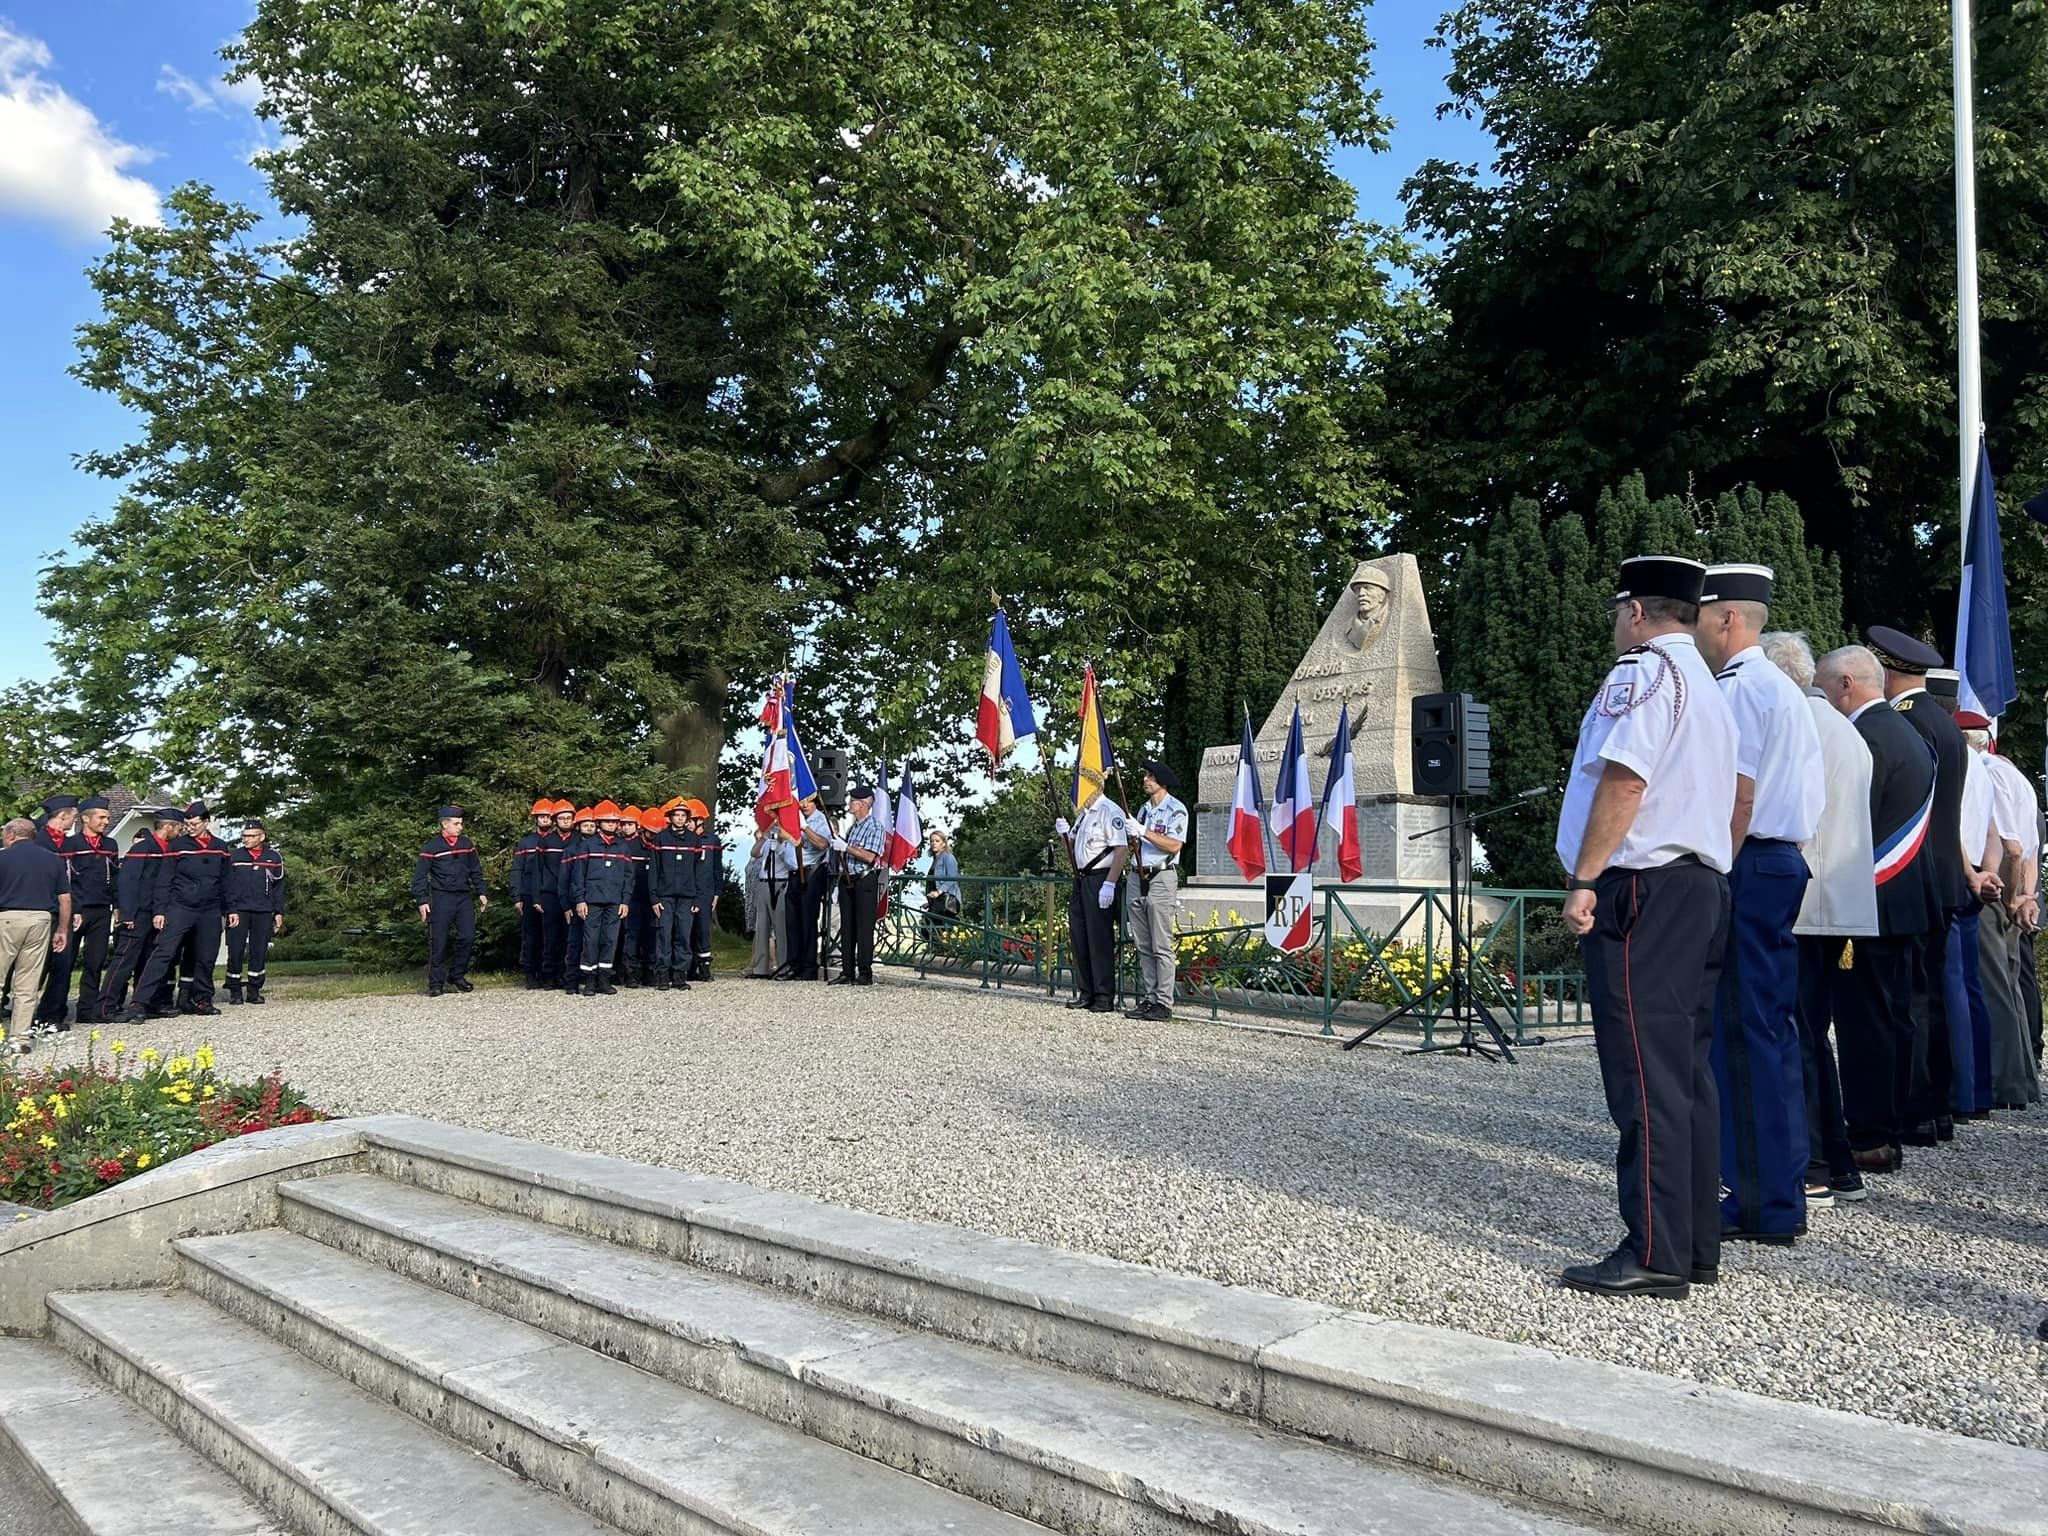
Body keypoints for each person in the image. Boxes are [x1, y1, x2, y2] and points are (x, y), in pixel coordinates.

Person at [1555, 556, 1736, 1300]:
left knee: (1645, 1076)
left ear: (1636, 611)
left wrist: (1587, 876)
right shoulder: (1707, 685)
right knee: (1687, 1075)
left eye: (1615, 609)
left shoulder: (1643, 673)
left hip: (1645, 888)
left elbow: (1625, 778)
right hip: (1699, 885)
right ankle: (1692, 1244)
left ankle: (1656, 1249)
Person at [1694, 568, 1824, 1244]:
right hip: (1779, 861)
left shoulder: (1742, 688)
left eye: (1698, 616)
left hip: (1749, 862)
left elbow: (1737, 796)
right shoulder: (1782, 688)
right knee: (1770, 1034)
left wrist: (1714, 872)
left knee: (1744, 1039)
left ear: (1727, 620)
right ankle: (1776, 1189)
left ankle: (1760, 1203)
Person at [1813, 646, 1945, 1174]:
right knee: (1892, 1018)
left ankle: (1869, 1131)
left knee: (1863, 1021)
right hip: (1903, 898)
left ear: (1846, 684)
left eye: (1822, 688)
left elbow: (1851, 822)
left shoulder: (1865, 736)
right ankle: (1891, 1121)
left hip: (1874, 896)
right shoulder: (1906, 733)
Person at [1763, 631, 1874, 1209]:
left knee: (1796, 1036)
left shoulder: (1797, 721)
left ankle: (1814, 1163)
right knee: (1811, 1036)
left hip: (1804, 902)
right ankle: (1838, 1159)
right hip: (1837, 902)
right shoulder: (1841, 726)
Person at [1867, 626, 1968, 1144]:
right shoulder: (1941, 723)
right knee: (1929, 996)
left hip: (1910, 869)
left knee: (1911, 1000)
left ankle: (1915, 1107)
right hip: (1941, 874)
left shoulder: (1909, 724)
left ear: (1885, 669)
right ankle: (1935, 1108)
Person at [123, 801, 232, 1020]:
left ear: (206, 822)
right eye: (187, 824)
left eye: (194, 824)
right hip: (180, 906)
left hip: (210, 909)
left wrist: (231, 909)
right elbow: (165, 879)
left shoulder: (220, 846)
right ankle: (140, 1002)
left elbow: (227, 881)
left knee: (206, 956)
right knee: (163, 953)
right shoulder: (178, 846)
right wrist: (160, 911)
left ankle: (202, 999)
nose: (189, 828)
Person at [1979, 734, 2041, 1108]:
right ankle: (2021, 1082)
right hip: (2017, 892)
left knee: (1996, 990)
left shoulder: (1990, 775)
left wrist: (2010, 898)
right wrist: (2026, 896)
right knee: (2011, 991)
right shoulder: (2017, 778)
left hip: (1999, 891)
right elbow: (2028, 850)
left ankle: (2005, 1085)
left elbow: (2013, 848)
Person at [1949, 713, 2005, 1119]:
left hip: (1957, 876)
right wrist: (1987, 875)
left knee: (1953, 987)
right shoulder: (1984, 773)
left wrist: (1970, 875)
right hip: (1973, 880)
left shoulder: (1956, 762)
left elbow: (1948, 824)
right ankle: (1978, 1088)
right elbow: (1992, 834)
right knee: (1970, 987)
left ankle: (1960, 1093)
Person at [37, 794, 118, 1030]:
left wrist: (118, 905)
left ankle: (87, 1009)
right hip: (76, 910)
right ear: (85, 818)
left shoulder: (110, 845)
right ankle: (52, 1012)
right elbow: (66, 880)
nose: (105, 822)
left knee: (95, 961)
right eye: (102, 817)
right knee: (63, 962)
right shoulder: (70, 845)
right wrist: (74, 908)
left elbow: (114, 877)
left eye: (108, 818)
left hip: (102, 910)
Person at [1056, 766, 1131, 1015]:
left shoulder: (1110, 811)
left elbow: (1120, 850)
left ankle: (1103, 995)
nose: (1078, 793)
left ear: (1095, 786)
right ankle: (1086, 991)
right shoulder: (1084, 815)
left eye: (1082, 787)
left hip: (1100, 879)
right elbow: (1076, 846)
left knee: (1099, 939)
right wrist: (1066, 834)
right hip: (1082, 880)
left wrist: (1110, 883)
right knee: (1080, 937)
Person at [1124, 762, 1189, 1022]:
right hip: (1137, 876)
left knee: (1161, 943)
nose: (1145, 779)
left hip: (1161, 877)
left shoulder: (1176, 809)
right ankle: (1150, 998)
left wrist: (1144, 832)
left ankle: (1163, 1001)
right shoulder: (1143, 810)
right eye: (1146, 775)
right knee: (1143, 942)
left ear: (1162, 781)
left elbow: (1174, 844)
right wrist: (1134, 836)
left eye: (1150, 776)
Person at [100, 812, 179, 1020]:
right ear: (168, 827)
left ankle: (149, 1003)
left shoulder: (170, 849)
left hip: (157, 912)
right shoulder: (143, 848)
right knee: (125, 960)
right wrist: (127, 913)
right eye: (179, 828)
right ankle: (106, 1006)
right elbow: (127, 880)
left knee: (151, 960)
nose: (181, 832)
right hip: (138, 913)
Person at [0, 818, 69, 1055]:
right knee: (27, 984)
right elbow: (65, 898)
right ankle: (19, 1040)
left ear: (10, 834)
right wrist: (61, 929)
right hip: (41, 919)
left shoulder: (2, 857)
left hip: (7, 918)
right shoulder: (53, 859)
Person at [411, 805, 486, 998]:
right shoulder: (431, 847)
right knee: (439, 941)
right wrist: (422, 900)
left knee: (468, 937)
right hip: (441, 898)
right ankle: (436, 983)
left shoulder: (467, 844)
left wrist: (481, 892)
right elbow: (420, 876)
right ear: (444, 824)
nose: (460, 827)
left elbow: (475, 870)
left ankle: (456, 975)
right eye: (456, 823)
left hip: (463, 897)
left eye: (461, 823)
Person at [566, 800, 632, 996]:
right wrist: (580, 900)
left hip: (614, 902)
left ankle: (604, 979)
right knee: (591, 941)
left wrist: (625, 901)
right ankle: (589, 980)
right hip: (592, 901)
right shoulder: (587, 846)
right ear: (599, 823)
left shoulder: (623, 847)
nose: (611, 824)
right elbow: (577, 876)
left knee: (610, 940)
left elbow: (629, 877)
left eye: (614, 822)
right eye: (607, 821)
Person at [223, 818, 287, 1005]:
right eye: (244, 836)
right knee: (235, 950)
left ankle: (254, 990)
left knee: (258, 951)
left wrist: (278, 912)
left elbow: (278, 887)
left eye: (251, 836)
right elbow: (227, 886)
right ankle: (235, 990)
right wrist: (230, 909)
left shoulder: (274, 857)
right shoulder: (234, 857)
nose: (246, 839)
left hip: (263, 910)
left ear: (262, 837)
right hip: (239, 911)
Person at [829, 786, 887, 985]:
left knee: (863, 928)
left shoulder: (875, 827)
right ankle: (847, 971)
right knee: (847, 927)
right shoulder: (853, 828)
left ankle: (864, 973)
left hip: (864, 880)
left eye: (853, 801)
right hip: (848, 879)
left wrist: (847, 848)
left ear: (863, 804)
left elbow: (870, 856)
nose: (849, 804)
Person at [648, 801, 697, 990]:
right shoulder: (660, 839)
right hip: (664, 897)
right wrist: (654, 898)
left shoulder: (694, 840)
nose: (680, 818)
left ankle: (679, 976)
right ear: (670, 817)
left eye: (683, 816)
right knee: (664, 935)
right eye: (677, 815)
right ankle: (662, 976)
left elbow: (699, 871)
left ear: (687, 819)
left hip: (687, 897)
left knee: (683, 936)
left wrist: (698, 899)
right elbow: (653, 870)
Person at [511, 798, 556, 990]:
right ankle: (530, 973)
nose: (545, 820)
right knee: (531, 935)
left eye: (547, 816)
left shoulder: (556, 841)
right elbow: (516, 870)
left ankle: (549, 974)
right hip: (529, 894)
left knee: (551, 936)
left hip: (550, 894)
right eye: (541, 817)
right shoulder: (526, 843)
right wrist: (517, 896)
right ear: (535, 819)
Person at [792, 793, 834, 981]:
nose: (803, 805)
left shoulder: (820, 821)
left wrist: (804, 827)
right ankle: (795, 964)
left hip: (812, 873)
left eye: (807, 801)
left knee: (808, 921)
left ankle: (809, 966)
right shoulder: (795, 818)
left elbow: (822, 844)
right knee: (793, 922)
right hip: (794, 872)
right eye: (801, 802)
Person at [747, 822, 798, 978]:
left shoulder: (790, 842)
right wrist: (762, 838)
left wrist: (782, 846)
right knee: (761, 926)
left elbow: (792, 864)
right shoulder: (768, 840)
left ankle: (782, 966)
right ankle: (760, 968)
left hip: (781, 882)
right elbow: (754, 853)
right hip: (764, 882)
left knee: (780, 927)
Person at [683, 800, 722, 983]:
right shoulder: (683, 840)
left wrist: (717, 892)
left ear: (701, 820)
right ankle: (688, 967)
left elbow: (717, 868)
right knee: (686, 929)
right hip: (687, 890)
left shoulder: (711, 840)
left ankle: (705, 966)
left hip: (706, 891)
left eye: (693, 819)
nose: (689, 822)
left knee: (703, 930)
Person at [559, 807, 597, 992]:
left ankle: (592, 979)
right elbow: (564, 881)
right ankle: (571, 981)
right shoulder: (571, 850)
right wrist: (566, 905)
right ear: (578, 826)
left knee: (595, 942)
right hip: (575, 904)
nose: (589, 828)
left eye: (592, 825)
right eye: (586, 824)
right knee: (574, 943)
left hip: (597, 903)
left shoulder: (601, 848)